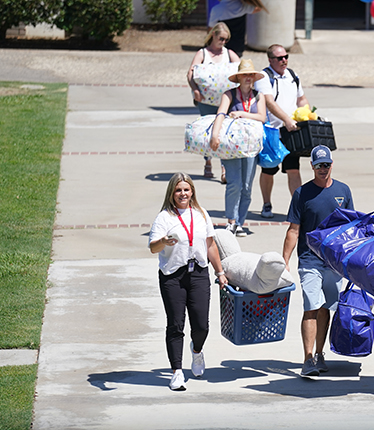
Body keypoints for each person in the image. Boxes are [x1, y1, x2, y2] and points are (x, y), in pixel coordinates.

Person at [149, 172, 228, 391]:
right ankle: (176, 372)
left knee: (201, 325)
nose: (182, 193)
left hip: (199, 273)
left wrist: (220, 272)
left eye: (186, 189)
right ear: (172, 193)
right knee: (176, 324)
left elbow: (210, 245)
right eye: (178, 190)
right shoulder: (165, 217)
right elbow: (153, 247)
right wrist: (163, 241)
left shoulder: (201, 214)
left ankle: (197, 351)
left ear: (192, 191)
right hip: (172, 275)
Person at [282, 145, 354, 376]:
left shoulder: (344, 190)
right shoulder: (302, 194)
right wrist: (285, 261)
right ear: (311, 166)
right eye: (319, 165)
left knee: (326, 309)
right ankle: (308, 358)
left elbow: (351, 227)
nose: (323, 169)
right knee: (311, 307)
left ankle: (320, 354)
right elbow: (294, 230)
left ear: (332, 164)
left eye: (327, 164)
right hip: (309, 260)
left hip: (334, 262)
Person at [210, 59, 267, 238]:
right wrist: (215, 135)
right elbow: (220, 113)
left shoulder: (259, 96)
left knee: (247, 186)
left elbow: (262, 117)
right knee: (234, 183)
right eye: (244, 75)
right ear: (239, 78)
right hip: (232, 146)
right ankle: (231, 222)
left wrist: (242, 114)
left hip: (250, 146)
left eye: (250, 75)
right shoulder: (229, 94)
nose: (248, 78)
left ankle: (240, 223)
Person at [255, 44, 310, 219]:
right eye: (280, 58)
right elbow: (269, 102)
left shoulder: (292, 75)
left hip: (292, 131)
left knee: (294, 169)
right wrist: (286, 119)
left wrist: (307, 114)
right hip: (273, 131)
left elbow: (301, 98)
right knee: (268, 169)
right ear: (270, 60)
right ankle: (266, 204)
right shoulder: (264, 76)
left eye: (286, 56)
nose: (284, 60)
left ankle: (298, 208)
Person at [187, 22, 241, 182]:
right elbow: (190, 73)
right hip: (206, 101)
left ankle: (224, 168)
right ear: (213, 36)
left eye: (226, 39)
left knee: (223, 132)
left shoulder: (229, 54)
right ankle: (208, 161)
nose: (223, 42)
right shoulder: (202, 53)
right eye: (221, 38)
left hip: (226, 101)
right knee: (207, 131)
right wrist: (195, 90)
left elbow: (242, 69)